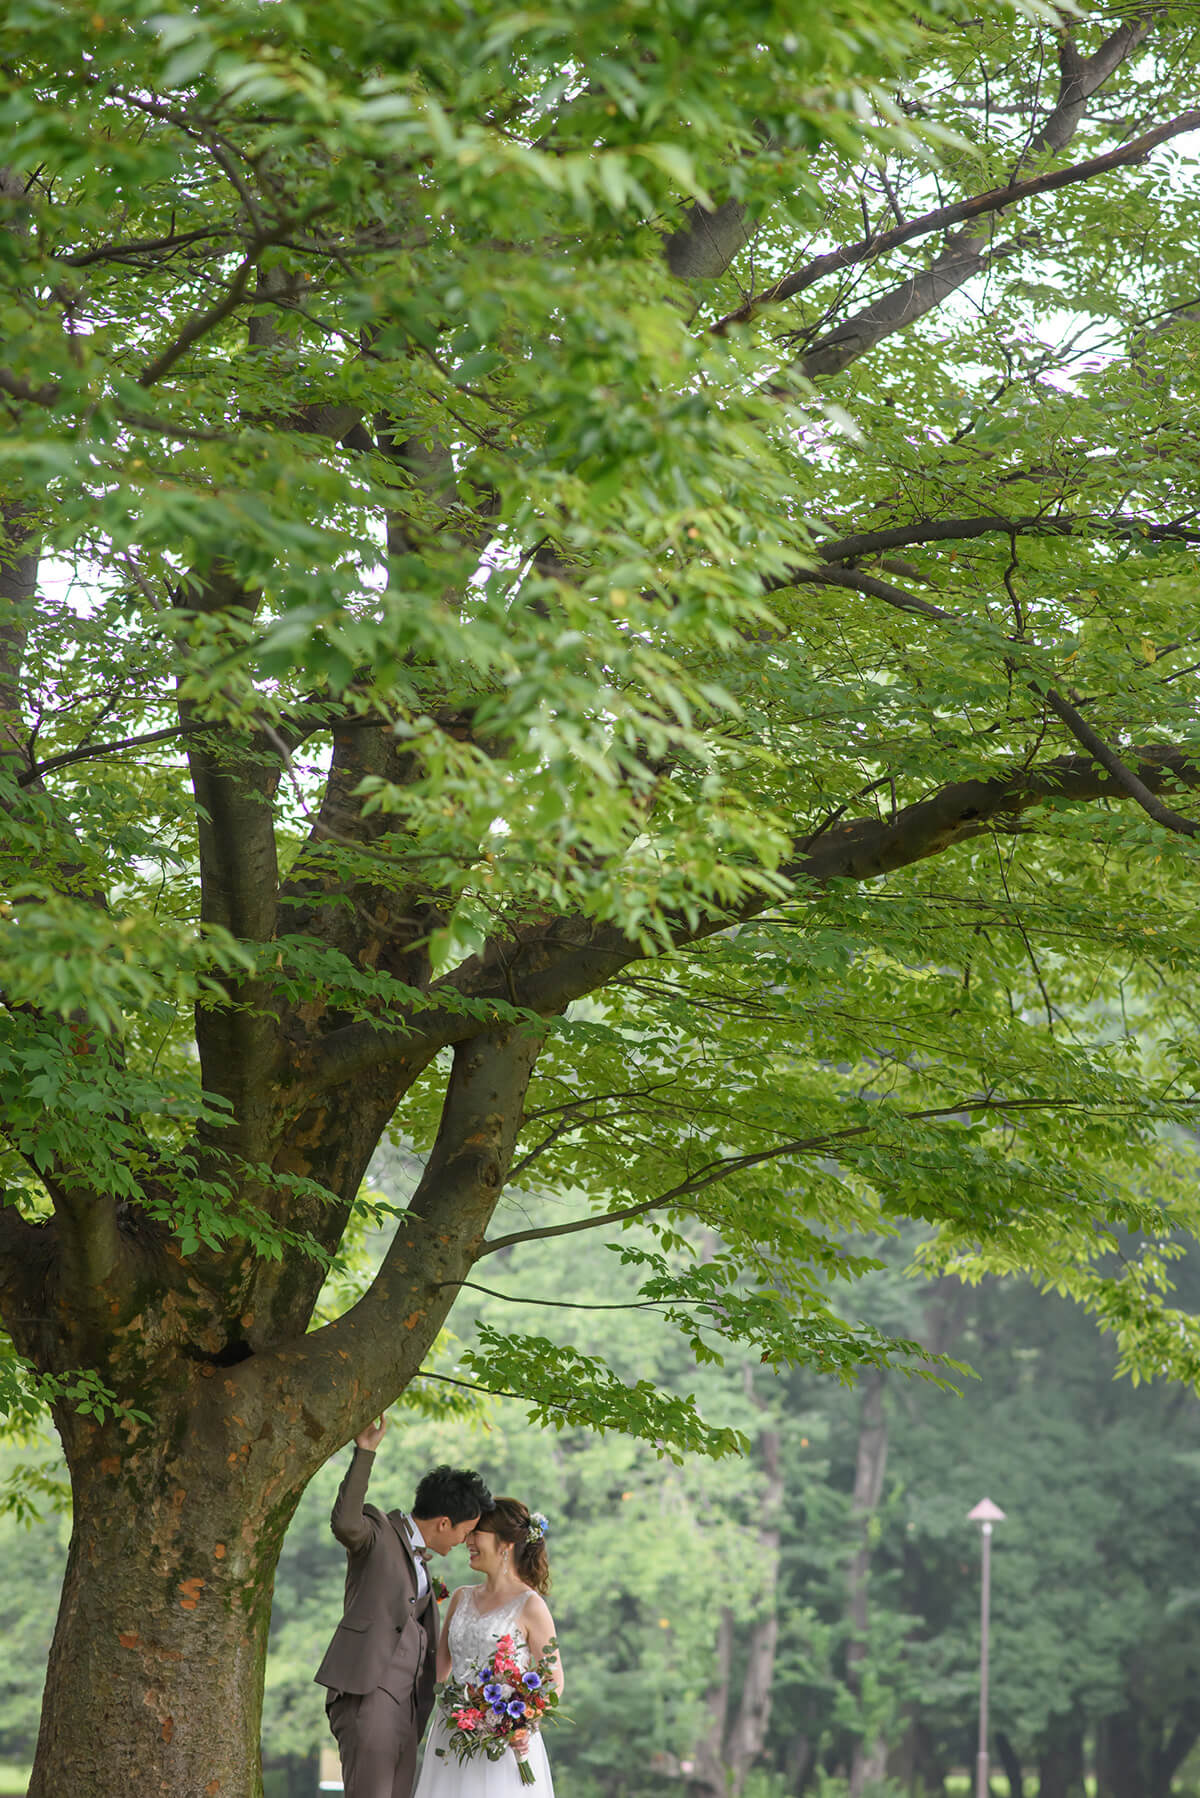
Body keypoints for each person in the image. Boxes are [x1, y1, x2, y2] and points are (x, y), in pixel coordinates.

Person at [315, 1415, 494, 1798]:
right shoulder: (378, 1533)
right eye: (466, 1531)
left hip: (408, 1710)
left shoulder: (424, 1564)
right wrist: (365, 1453)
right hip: (368, 1697)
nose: (465, 1541)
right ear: (445, 1523)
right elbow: (346, 1523)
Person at [412, 1497, 565, 1798]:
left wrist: (522, 1724)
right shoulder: (460, 1597)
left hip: (504, 1744)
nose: (467, 1539)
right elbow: (437, 1672)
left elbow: (554, 1682)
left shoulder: (531, 1605)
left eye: (476, 1532)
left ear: (505, 1544)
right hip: (452, 1735)